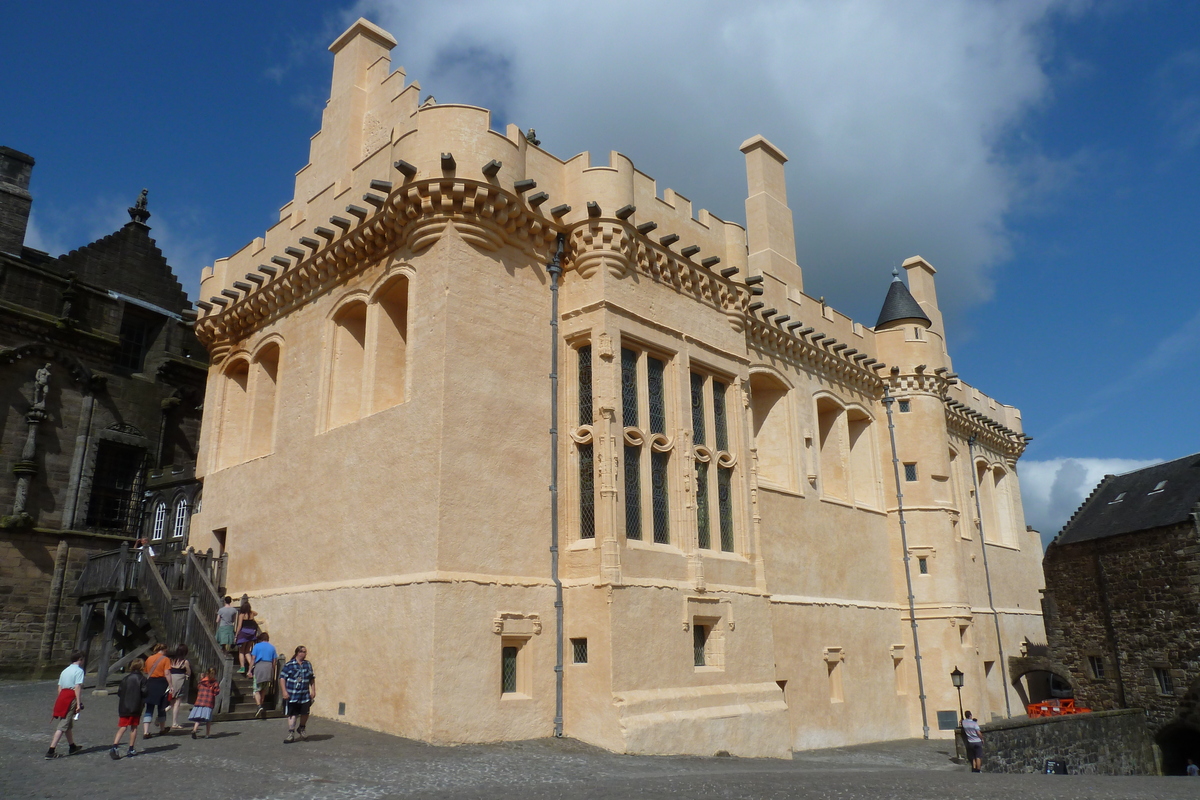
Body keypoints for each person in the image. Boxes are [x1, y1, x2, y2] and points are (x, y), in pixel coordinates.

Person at [46, 650, 86, 759]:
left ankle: (72, 746)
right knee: (63, 724)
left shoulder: (65, 671)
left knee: (67, 723)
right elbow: (77, 687)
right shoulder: (79, 671)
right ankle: (51, 750)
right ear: (80, 659)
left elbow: (59, 687)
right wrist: (78, 703)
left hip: (62, 696)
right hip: (70, 696)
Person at [110, 658, 147, 760]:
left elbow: (119, 692)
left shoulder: (125, 679)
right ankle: (131, 748)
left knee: (122, 727)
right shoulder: (142, 679)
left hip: (124, 707)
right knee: (133, 728)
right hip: (135, 707)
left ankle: (115, 746)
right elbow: (145, 692)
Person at [280, 645, 316, 743]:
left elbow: (312, 678)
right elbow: (282, 678)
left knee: (305, 713)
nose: (304, 654)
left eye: (305, 652)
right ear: (298, 652)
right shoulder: (289, 665)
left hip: (304, 695)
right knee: (292, 714)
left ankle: (301, 728)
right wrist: (284, 691)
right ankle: (291, 733)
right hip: (293, 694)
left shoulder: (307, 664)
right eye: (303, 652)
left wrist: (313, 690)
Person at [141, 643, 171, 738]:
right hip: (161, 683)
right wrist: (171, 685)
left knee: (149, 708)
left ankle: (146, 731)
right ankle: (162, 729)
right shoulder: (166, 659)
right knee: (161, 708)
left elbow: (146, 671)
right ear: (164, 650)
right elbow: (167, 673)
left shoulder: (149, 658)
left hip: (150, 683)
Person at [251, 632, 278, 719]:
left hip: (260, 666)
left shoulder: (257, 646)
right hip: (268, 666)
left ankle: (259, 706)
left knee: (256, 689)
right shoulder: (272, 647)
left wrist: (249, 670)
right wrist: (272, 671)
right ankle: (262, 705)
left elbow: (253, 658)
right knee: (264, 689)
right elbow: (274, 661)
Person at [189, 668, 220, 739]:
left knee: (198, 718)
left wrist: (201, 679)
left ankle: (194, 730)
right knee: (208, 719)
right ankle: (207, 734)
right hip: (209, 702)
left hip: (200, 701)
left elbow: (198, 687)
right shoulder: (215, 683)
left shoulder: (202, 681)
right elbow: (216, 692)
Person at [167, 643, 192, 728]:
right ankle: (174, 722)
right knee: (177, 703)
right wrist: (187, 675)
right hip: (180, 682)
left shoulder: (171, 660)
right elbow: (188, 672)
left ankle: (165, 710)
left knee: (172, 701)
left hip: (171, 681)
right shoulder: (185, 662)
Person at [234, 601, 259, 674]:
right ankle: (252, 664)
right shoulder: (251, 614)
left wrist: (236, 635)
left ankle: (242, 667)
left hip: (244, 633)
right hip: (251, 634)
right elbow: (256, 613)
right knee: (247, 651)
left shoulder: (242, 615)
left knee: (241, 651)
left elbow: (239, 626)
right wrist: (250, 611)